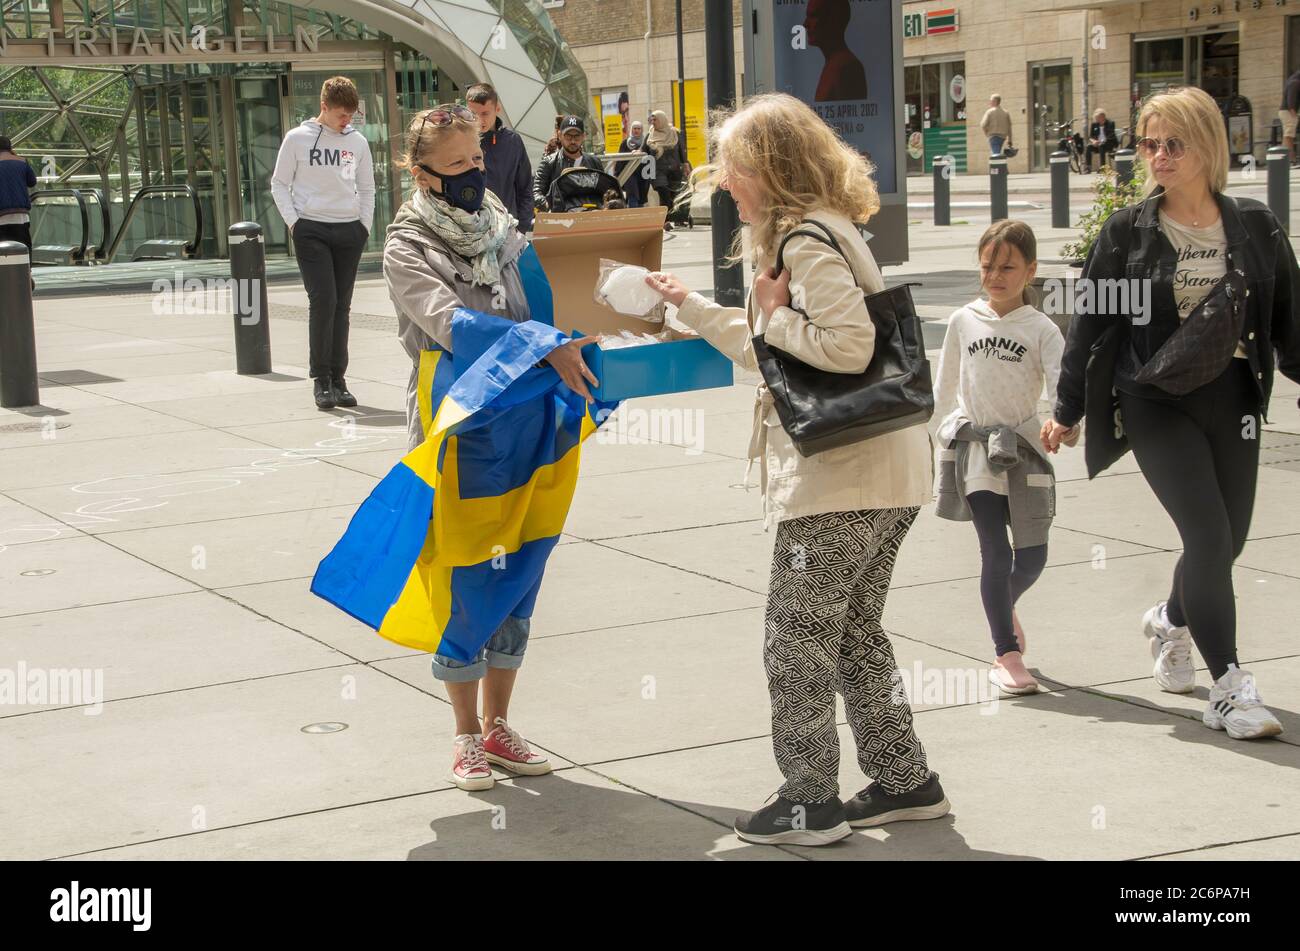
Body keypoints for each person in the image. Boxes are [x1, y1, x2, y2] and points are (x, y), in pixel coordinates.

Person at [645, 92, 949, 846]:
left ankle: (810, 799)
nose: (724, 185)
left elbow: (842, 346)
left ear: (769, 169)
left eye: (734, 169)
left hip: (839, 482)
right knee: (853, 635)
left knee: (797, 637)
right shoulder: (829, 228)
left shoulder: (806, 240)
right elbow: (782, 354)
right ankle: (905, 778)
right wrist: (697, 307)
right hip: (889, 471)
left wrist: (770, 308)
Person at [1046, 86, 1300, 740]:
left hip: (1233, 395)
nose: (1156, 156)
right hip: (1153, 397)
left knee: (1226, 541)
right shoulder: (1129, 232)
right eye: (1148, 143)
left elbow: (1291, 322)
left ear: (1207, 146)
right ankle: (1230, 688)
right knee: (1211, 538)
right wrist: (1067, 407)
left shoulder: (1255, 227)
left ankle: (1168, 618)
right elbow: (1090, 323)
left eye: (1172, 144)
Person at [383, 104, 600, 788]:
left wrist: (574, 336)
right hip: (461, 428)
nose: (474, 174)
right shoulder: (406, 246)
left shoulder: (504, 231)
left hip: (529, 422)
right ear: (422, 175)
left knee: (521, 569)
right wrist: (544, 344)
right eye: (456, 166)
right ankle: (465, 733)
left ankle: (501, 726)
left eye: (477, 160)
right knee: (465, 574)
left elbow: (540, 307)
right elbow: (449, 324)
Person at [932, 220, 1071, 695]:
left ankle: (1002, 605)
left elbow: (1063, 388)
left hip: (1026, 451)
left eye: (1008, 266)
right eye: (988, 265)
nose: (995, 275)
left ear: (1030, 270)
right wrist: (930, 439)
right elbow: (944, 387)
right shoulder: (962, 320)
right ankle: (1005, 653)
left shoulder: (1042, 329)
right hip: (975, 450)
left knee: (1032, 557)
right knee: (995, 549)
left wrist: (1065, 424)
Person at [271, 76, 375, 411]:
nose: (346, 121)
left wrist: (364, 225)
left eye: (351, 116)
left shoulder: (357, 142)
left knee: (342, 305)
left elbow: (368, 187)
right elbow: (279, 184)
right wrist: (295, 224)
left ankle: (339, 378)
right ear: (324, 107)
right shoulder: (297, 138)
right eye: (341, 115)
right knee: (323, 300)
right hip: (311, 229)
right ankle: (321, 379)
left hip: (349, 230)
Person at [465, 82, 533, 233]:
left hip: (510, 229)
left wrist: (522, 227)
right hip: (474, 231)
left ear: (497, 109)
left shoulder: (513, 141)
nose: (479, 120)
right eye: (473, 114)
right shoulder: (462, 142)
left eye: (485, 113)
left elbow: (525, 188)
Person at [532, 115, 602, 210]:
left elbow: (604, 191)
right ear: (560, 135)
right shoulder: (549, 162)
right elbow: (536, 192)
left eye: (576, 136)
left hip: (589, 219)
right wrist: (548, 206)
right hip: (559, 220)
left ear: (584, 136)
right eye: (568, 136)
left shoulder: (594, 162)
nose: (573, 141)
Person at [805, 0, 867, 102]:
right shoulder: (834, 65)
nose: (805, 24)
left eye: (813, 16)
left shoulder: (847, 68)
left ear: (833, 20)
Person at [645, 110, 690, 231]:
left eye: (656, 119)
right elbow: (644, 150)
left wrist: (685, 164)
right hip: (657, 171)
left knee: (672, 196)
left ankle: (672, 218)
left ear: (662, 119)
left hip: (674, 170)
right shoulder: (650, 134)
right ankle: (665, 221)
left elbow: (681, 150)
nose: (653, 122)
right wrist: (637, 152)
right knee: (664, 193)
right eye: (652, 120)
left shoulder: (674, 133)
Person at [0, 136, 37, 257]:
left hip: (1, 215)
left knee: (3, 251)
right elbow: (32, 182)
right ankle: (27, 273)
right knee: (24, 246)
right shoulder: (21, 161)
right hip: (21, 215)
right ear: (10, 147)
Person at [617, 119, 647, 208]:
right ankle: (633, 215)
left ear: (642, 130)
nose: (636, 130)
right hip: (629, 173)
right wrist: (617, 173)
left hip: (643, 174)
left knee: (641, 196)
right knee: (632, 195)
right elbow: (620, 160)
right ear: (631, 130)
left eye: (638, 128)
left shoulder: (645, 143)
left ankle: (640, 218)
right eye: (634, 128)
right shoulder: (625, 143)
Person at [1084, 108, 1117, 173]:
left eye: (1097, 118)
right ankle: (1088, 167)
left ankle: (1103, 168)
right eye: (1096, 118)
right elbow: (1091, 136)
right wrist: (1093, 141)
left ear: (1102, 117)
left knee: (1101, 146)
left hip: (1109, 144)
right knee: (1089, 147)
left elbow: (1111, 135)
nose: (1096, 120)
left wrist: (1102, 141)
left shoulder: (1110, 123)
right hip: (1097, 145)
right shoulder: (1094, 125)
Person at [1280, 69, 1300, 167]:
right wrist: (1295, 116)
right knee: (1289, 136)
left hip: (1287, 112)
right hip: (1288, 112)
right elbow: (1291, 102)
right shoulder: (1295, 83)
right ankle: (1291, 160)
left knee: (1287, 136)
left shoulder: (1293, 81)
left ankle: (1284, 160)